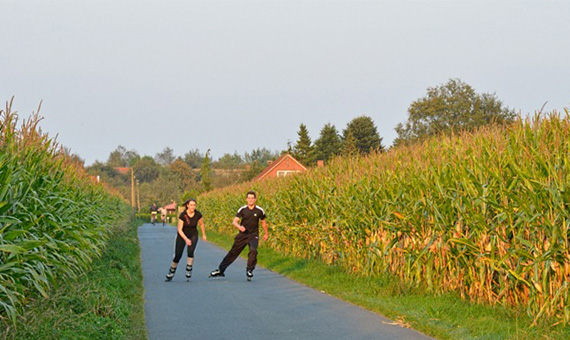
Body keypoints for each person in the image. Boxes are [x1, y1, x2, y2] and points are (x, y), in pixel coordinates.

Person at [209, 191, 268, 281]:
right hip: (242, 235)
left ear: (255, 199)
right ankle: (221, 270)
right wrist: (240, 227)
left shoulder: (259, 210)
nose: (251, 200)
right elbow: (234, 221)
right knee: (233, 252)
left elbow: (263, 222)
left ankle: (249, 270)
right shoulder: (243, 210)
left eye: (252, 198)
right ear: (246, 199)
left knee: (253, 250)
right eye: (249, 198)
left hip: (253, 235)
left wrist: (266, 233)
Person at [165, 199, 207, 282]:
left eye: (194, 205)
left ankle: (189, 268)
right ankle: (172, 271)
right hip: (182, 235)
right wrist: (186, 239)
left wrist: (204, 234)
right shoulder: (183, 215)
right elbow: (179, 229)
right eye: (191, 205)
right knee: (178, 255)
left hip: (193, 234)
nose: (193, 207)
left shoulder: (198, 214)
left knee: (190, 251)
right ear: (187, 205)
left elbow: (201, 224)